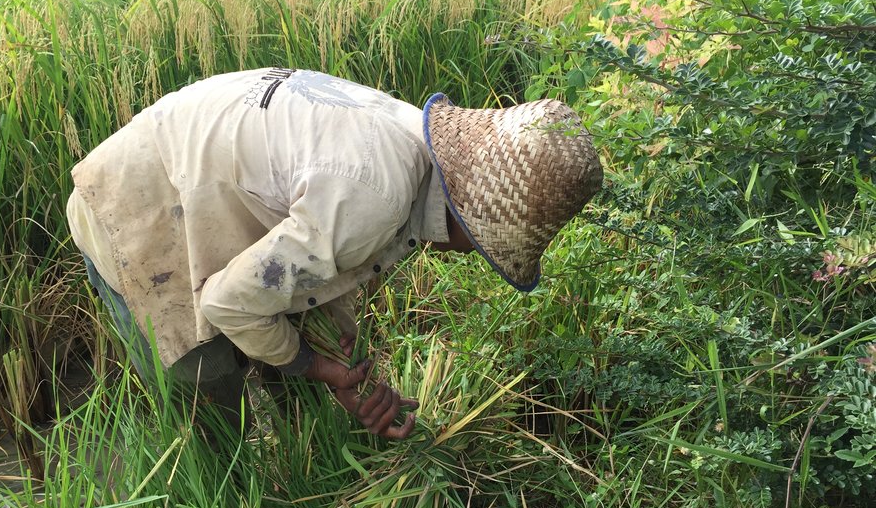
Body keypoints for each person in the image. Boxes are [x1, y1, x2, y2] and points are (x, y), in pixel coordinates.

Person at [66, 67, 602, 440]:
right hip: (142, 209)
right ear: (468, 222)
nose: (467, 258)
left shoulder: (405, 139)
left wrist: (344, 368)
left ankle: (286, 480)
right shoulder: (375, 195)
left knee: (288, 384)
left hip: (201, 181)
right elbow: (227, 303)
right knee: (208, 403)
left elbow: (320, 266)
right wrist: (317, 367)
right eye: (484, 249)